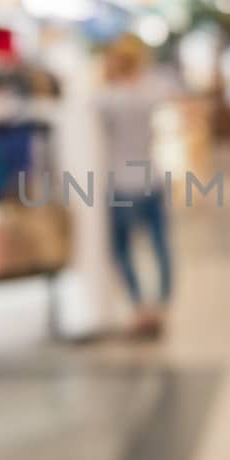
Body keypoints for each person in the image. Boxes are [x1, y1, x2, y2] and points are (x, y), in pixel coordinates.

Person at [98, 33, 175, 338]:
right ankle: (161, 306)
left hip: (121, 183)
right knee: (160, 246)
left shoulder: (108, 98)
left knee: (122, 248)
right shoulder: (150, 92)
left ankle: (140, 307)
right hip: (151, 177)